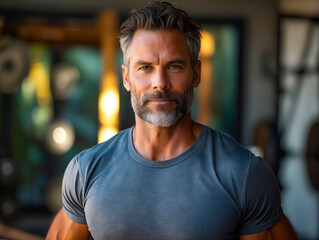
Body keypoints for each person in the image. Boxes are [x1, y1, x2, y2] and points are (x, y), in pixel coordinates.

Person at [46, 1, 297, 239]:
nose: (160, 83)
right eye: (145, 67)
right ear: (125, 78)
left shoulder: (244, 174)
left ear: (195, 74)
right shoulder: (86, 170)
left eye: (174, 66)